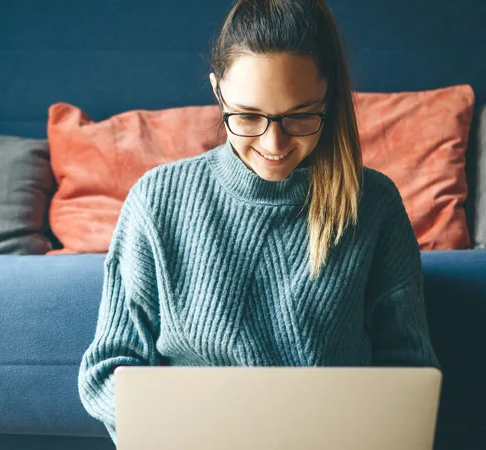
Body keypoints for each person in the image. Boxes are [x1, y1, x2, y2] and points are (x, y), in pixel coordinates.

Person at [77, 0, 440, 440]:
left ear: (330, 97)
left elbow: (408, 368)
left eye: (300, 116)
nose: (274, 142)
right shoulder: (156, 202)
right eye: (247, 116)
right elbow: (108, 371)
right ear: (218, 93)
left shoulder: (374, 205)